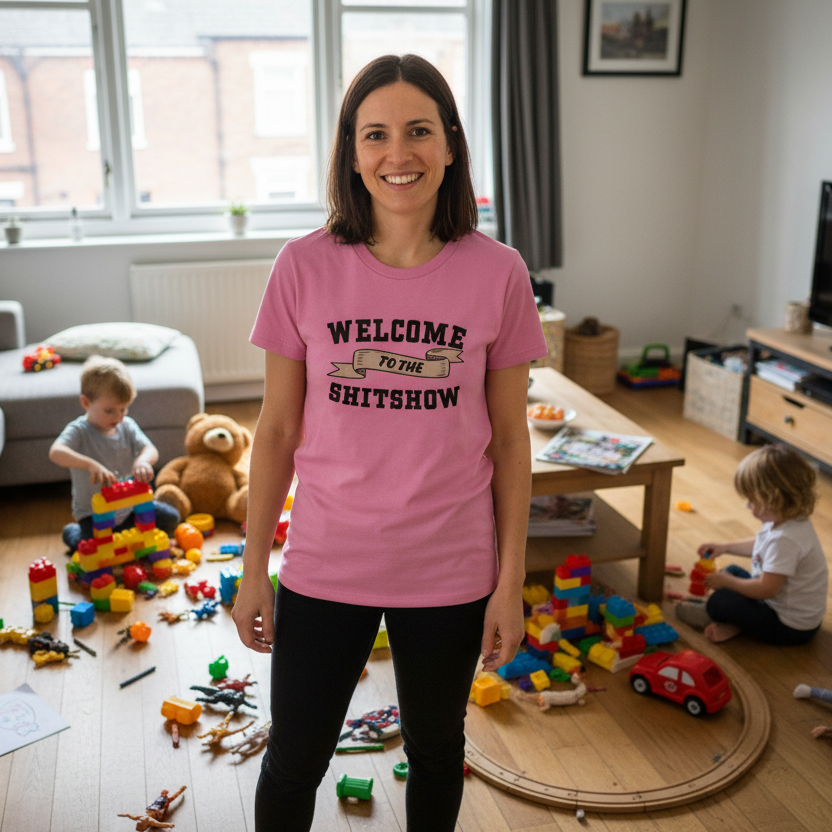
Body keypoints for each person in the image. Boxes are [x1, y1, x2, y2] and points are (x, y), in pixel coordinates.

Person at [231, 54, 547, 832]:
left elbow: (511, 442)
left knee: (438, 751)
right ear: (350, 150)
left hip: (450, 567)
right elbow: (274, 431)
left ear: (449, 145)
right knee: (295, 758)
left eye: (417, 132)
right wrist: (252, 571)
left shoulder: (500, 273)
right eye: (375, 134)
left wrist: (510, 582)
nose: (397, 154)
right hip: (326, 560)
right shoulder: (302, 266)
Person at [677, 444, 827, 644]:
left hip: (789, 627)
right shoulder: (789, 519)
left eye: (751, 500)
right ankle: (737, 623)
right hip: (779, 606)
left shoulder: (786, 540)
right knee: (732, 571)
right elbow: (763, 545)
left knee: (720, 601)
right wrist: (725, 547)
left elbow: (766, 590)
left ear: (774, 499)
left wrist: (727, 582)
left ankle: (721, 618)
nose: (748, 505)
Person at [49, 355, 180, 551]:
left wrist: (143, 461)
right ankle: (73, 532)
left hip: (130, 508)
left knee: (172, 518)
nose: (118, 417)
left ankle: (123, 534)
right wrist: (90, 464)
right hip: (94, 515)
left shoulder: (126, 425)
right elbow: (56, 452)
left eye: (124, 409)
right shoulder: (79, 430)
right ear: (85, 403)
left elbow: (150, 449)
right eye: (110, 411)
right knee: (89, 548)